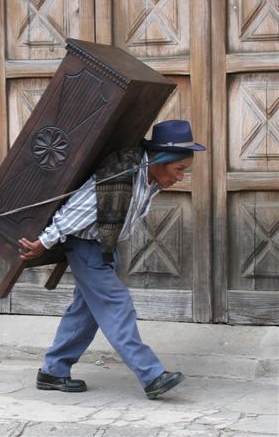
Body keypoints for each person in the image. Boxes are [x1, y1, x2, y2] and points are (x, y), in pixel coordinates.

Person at [18, 119, 206, 400]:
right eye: (179, 169)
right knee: (117, 305)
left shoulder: (148, 179)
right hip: (86, 249)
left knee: (85, 313)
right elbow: (74, 211)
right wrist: (43, 243)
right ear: (159, 160)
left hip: (104, 249)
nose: (180, 177)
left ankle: (53, 371)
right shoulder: (120, 174)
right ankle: (152, 375)